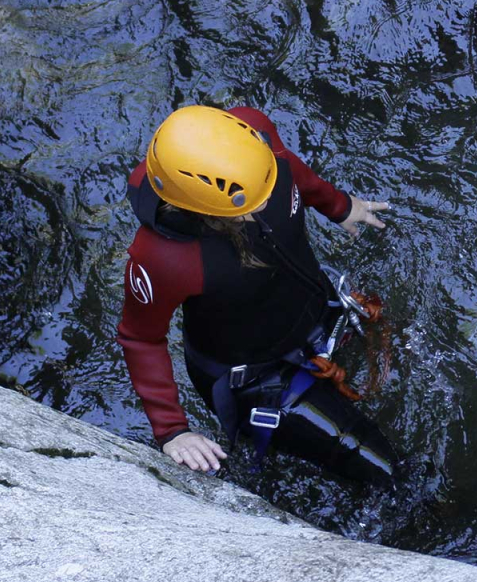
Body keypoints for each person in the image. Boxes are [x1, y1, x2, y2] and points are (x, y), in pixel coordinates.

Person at [117, 104, 397, 484]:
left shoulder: (253, 138)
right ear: (201, 208)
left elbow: (291, 171)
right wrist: (172, 430)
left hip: (317, 311)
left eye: (265, 181)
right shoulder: (163, 258)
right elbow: (140, 337)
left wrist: (340, 206)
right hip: (256, 378)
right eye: (250, 202)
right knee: (380, 467)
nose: (268, 202)